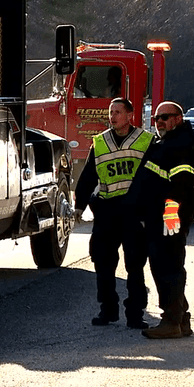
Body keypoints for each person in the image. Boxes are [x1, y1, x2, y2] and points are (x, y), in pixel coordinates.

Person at [73, 97, 154, 329]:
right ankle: (107, 310)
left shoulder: (146, 141)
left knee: (135, 264)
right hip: (107, 210)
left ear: (130, 115)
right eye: (111, 112)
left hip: (133, 211)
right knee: (103, 263)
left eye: (118, 112)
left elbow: (152, 177)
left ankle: (135, 314)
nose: (113, 116)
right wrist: (79, 205)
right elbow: (88, 175)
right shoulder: (99, 143)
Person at [131, 101, 194, 339]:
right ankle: (181, 319)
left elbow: (181, 181)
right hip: (158, 217)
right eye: (156, 119)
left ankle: (171, 321)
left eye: (164, 117)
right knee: (167, 266)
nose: (159, 122)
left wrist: (171, 212)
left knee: (167, 268)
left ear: (177, 119)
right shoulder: (168, 141)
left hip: (168, 220)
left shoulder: (181, 144)